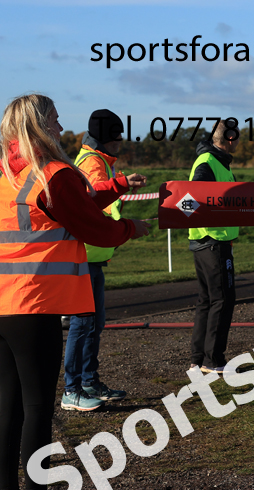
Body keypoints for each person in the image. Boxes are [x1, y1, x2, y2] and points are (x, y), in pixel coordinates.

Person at [0, 94, 148, 490]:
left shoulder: (7, 172)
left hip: (3, 302)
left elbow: (70, 206)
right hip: (35, 301)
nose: (61, 128)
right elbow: (91, 224)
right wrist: (130, 228)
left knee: (7, 404)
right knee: (37, 405)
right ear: (38, 125)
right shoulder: (54, 173)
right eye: (55, 119)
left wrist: (114, 188)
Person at [62, 109, 128, 412]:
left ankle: (88, 382)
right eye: (117, 135)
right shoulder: (92, 163)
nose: (121, 140)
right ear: (105, 137)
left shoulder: (99, 161)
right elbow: (95, 202)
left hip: (93, 254)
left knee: (93, 323)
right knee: (83, 324)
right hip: (86, 254)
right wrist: (122, 228)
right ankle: (72, 389)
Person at [189, 120, 240, 374]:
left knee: (207, 301)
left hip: (205, 241)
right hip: (213, 241)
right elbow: (196, 195)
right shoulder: (209, 162)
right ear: (229, 139)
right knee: (222, 299)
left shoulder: (215, 161)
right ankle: (214, 360)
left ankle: (198, 360)